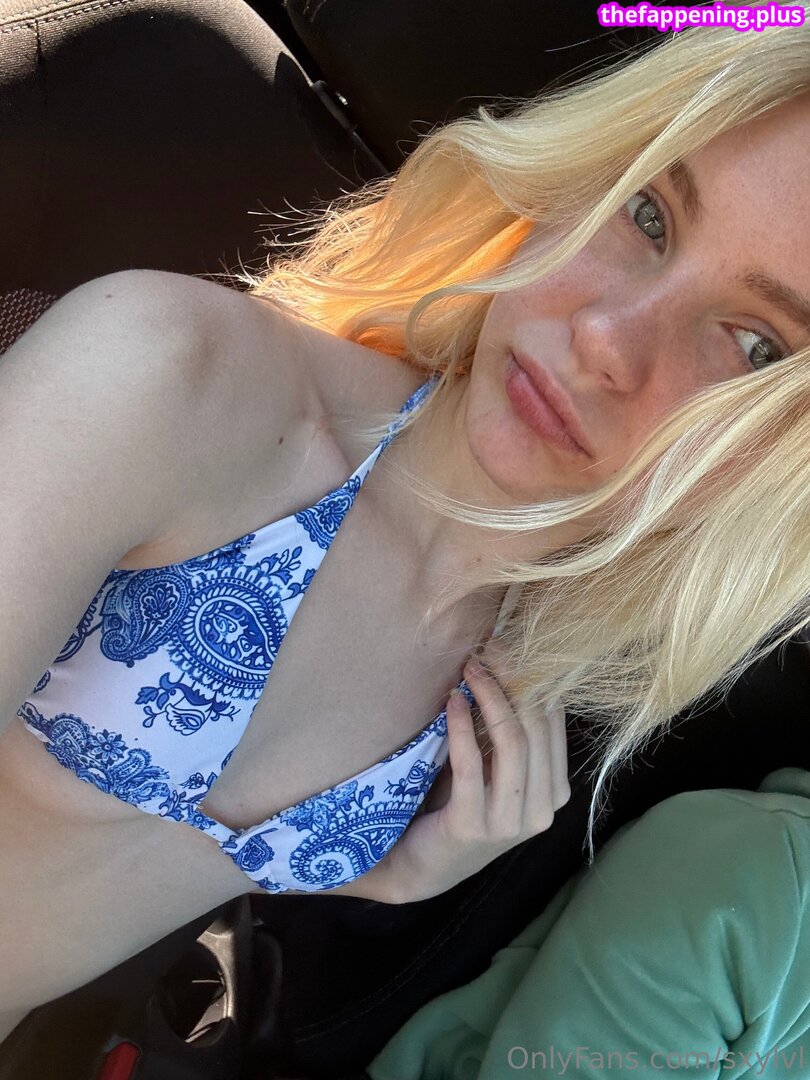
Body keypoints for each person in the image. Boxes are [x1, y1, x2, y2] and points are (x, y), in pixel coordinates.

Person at [0, 1, 808, 1047]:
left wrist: (395, 873)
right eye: (646, 213)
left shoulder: (523, 660)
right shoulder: (170, 378)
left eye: (754, 346)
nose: (608, 338)